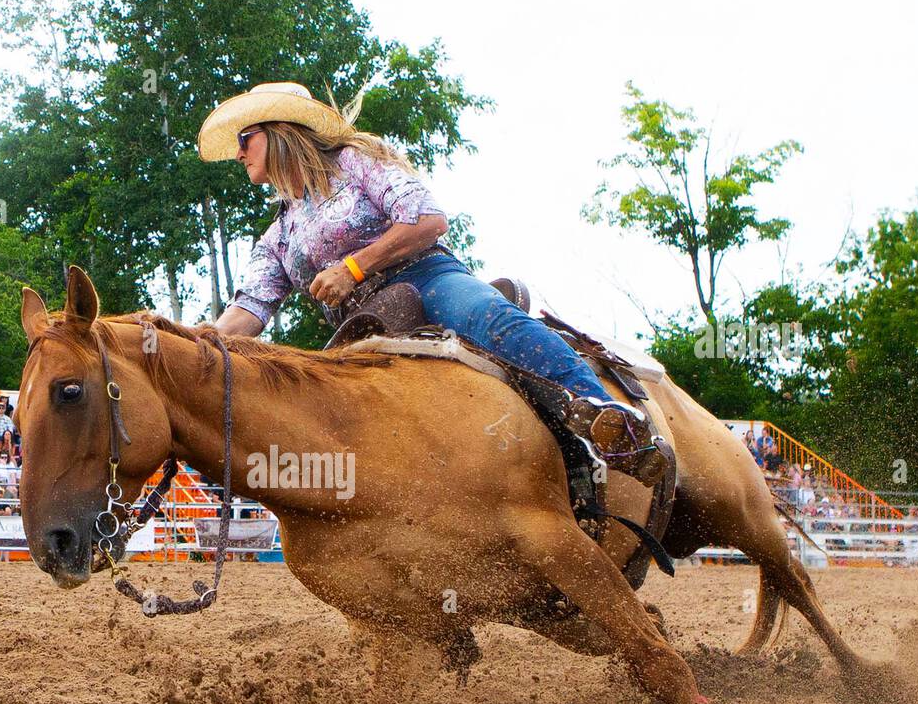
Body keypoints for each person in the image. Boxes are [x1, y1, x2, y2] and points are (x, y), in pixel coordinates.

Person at [198, 81, 668, 486]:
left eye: (246, 139)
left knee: (491, 319)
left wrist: (353, 269)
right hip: (359, 326)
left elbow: (427, 220)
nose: (238, 153)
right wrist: (195, 346)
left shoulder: (355, 164)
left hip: (425, 278)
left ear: (281, 133)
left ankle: (617, 426)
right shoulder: (277, 235)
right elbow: (250, 310)